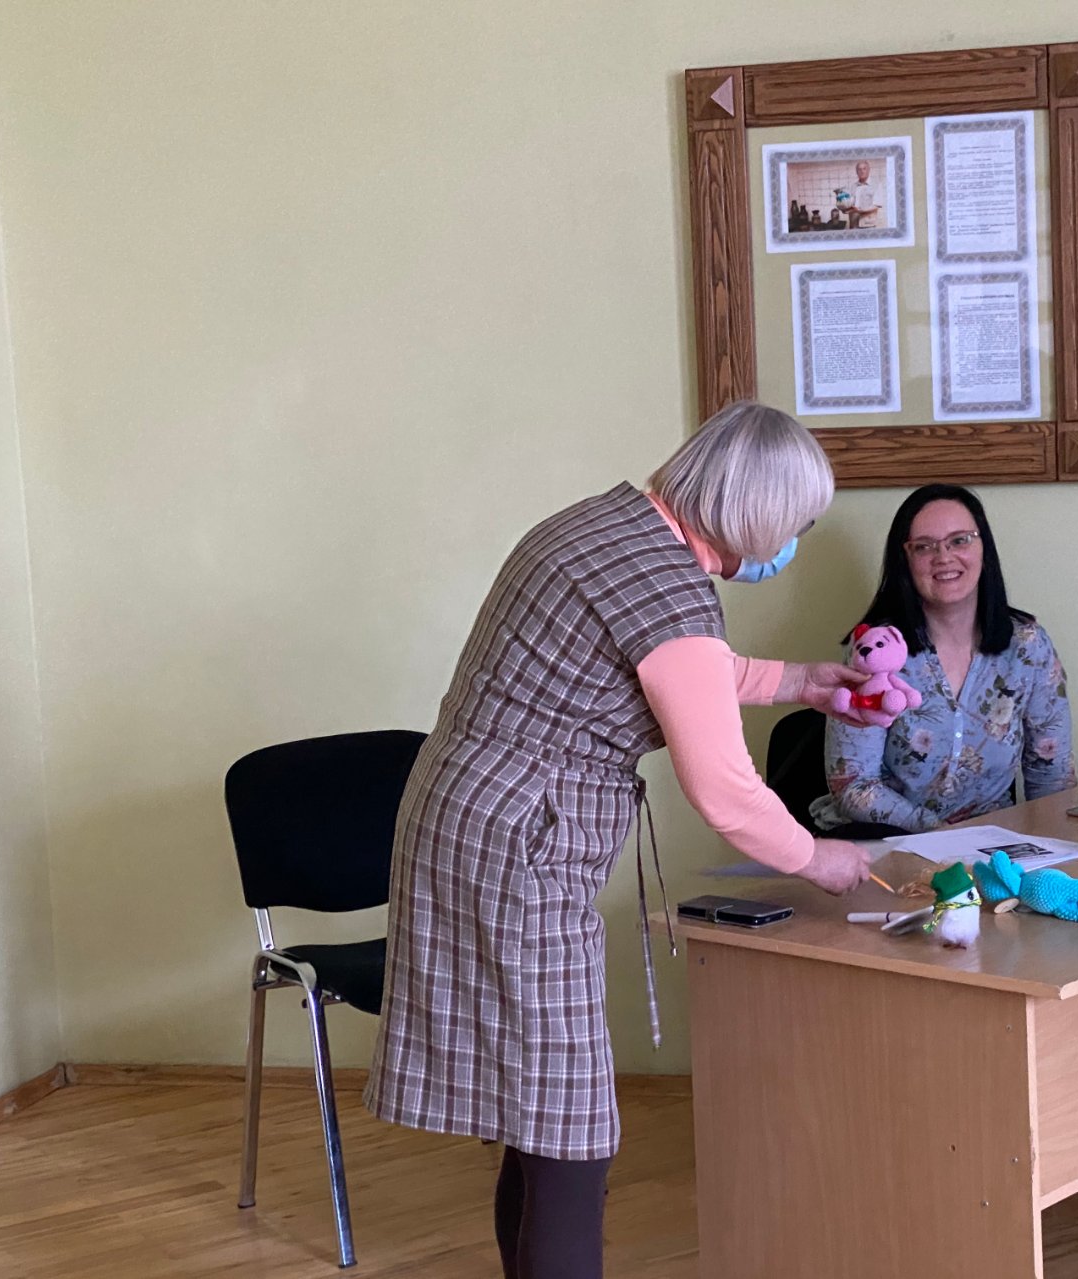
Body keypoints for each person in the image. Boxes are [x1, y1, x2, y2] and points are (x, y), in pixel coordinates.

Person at [366, 403, 873, 1279]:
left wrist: (802, 681)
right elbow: (724, 789)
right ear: (754, 511)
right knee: (572, 1132)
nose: (791, 543)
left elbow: (682, 668)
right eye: (795, 524)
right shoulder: (671, 592)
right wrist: (817, 857)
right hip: (516, 849)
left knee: (539, 1114)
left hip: (468, 818)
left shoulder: (605, 527)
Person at [810, 484, 1075, 836]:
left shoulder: (1028, 646)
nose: (944, 557)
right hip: (887, 840)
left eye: (959, 541)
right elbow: (853, 787)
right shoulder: (875, 651)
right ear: (905, 560)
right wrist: (937, 831)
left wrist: (1057, 850)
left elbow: (1051, 776)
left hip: (989, 848)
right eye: (924, 547)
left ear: (984, 549)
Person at [851, 159, 882, 229]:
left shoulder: (876, 185)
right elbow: (851, 205)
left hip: (869, 225)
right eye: (859, 169)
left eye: (864, 169)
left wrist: (861, 211)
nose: (862, 171)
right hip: (854, 225)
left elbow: (877, 206)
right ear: (856, 172)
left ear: (868, 170)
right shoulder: (853, 186)